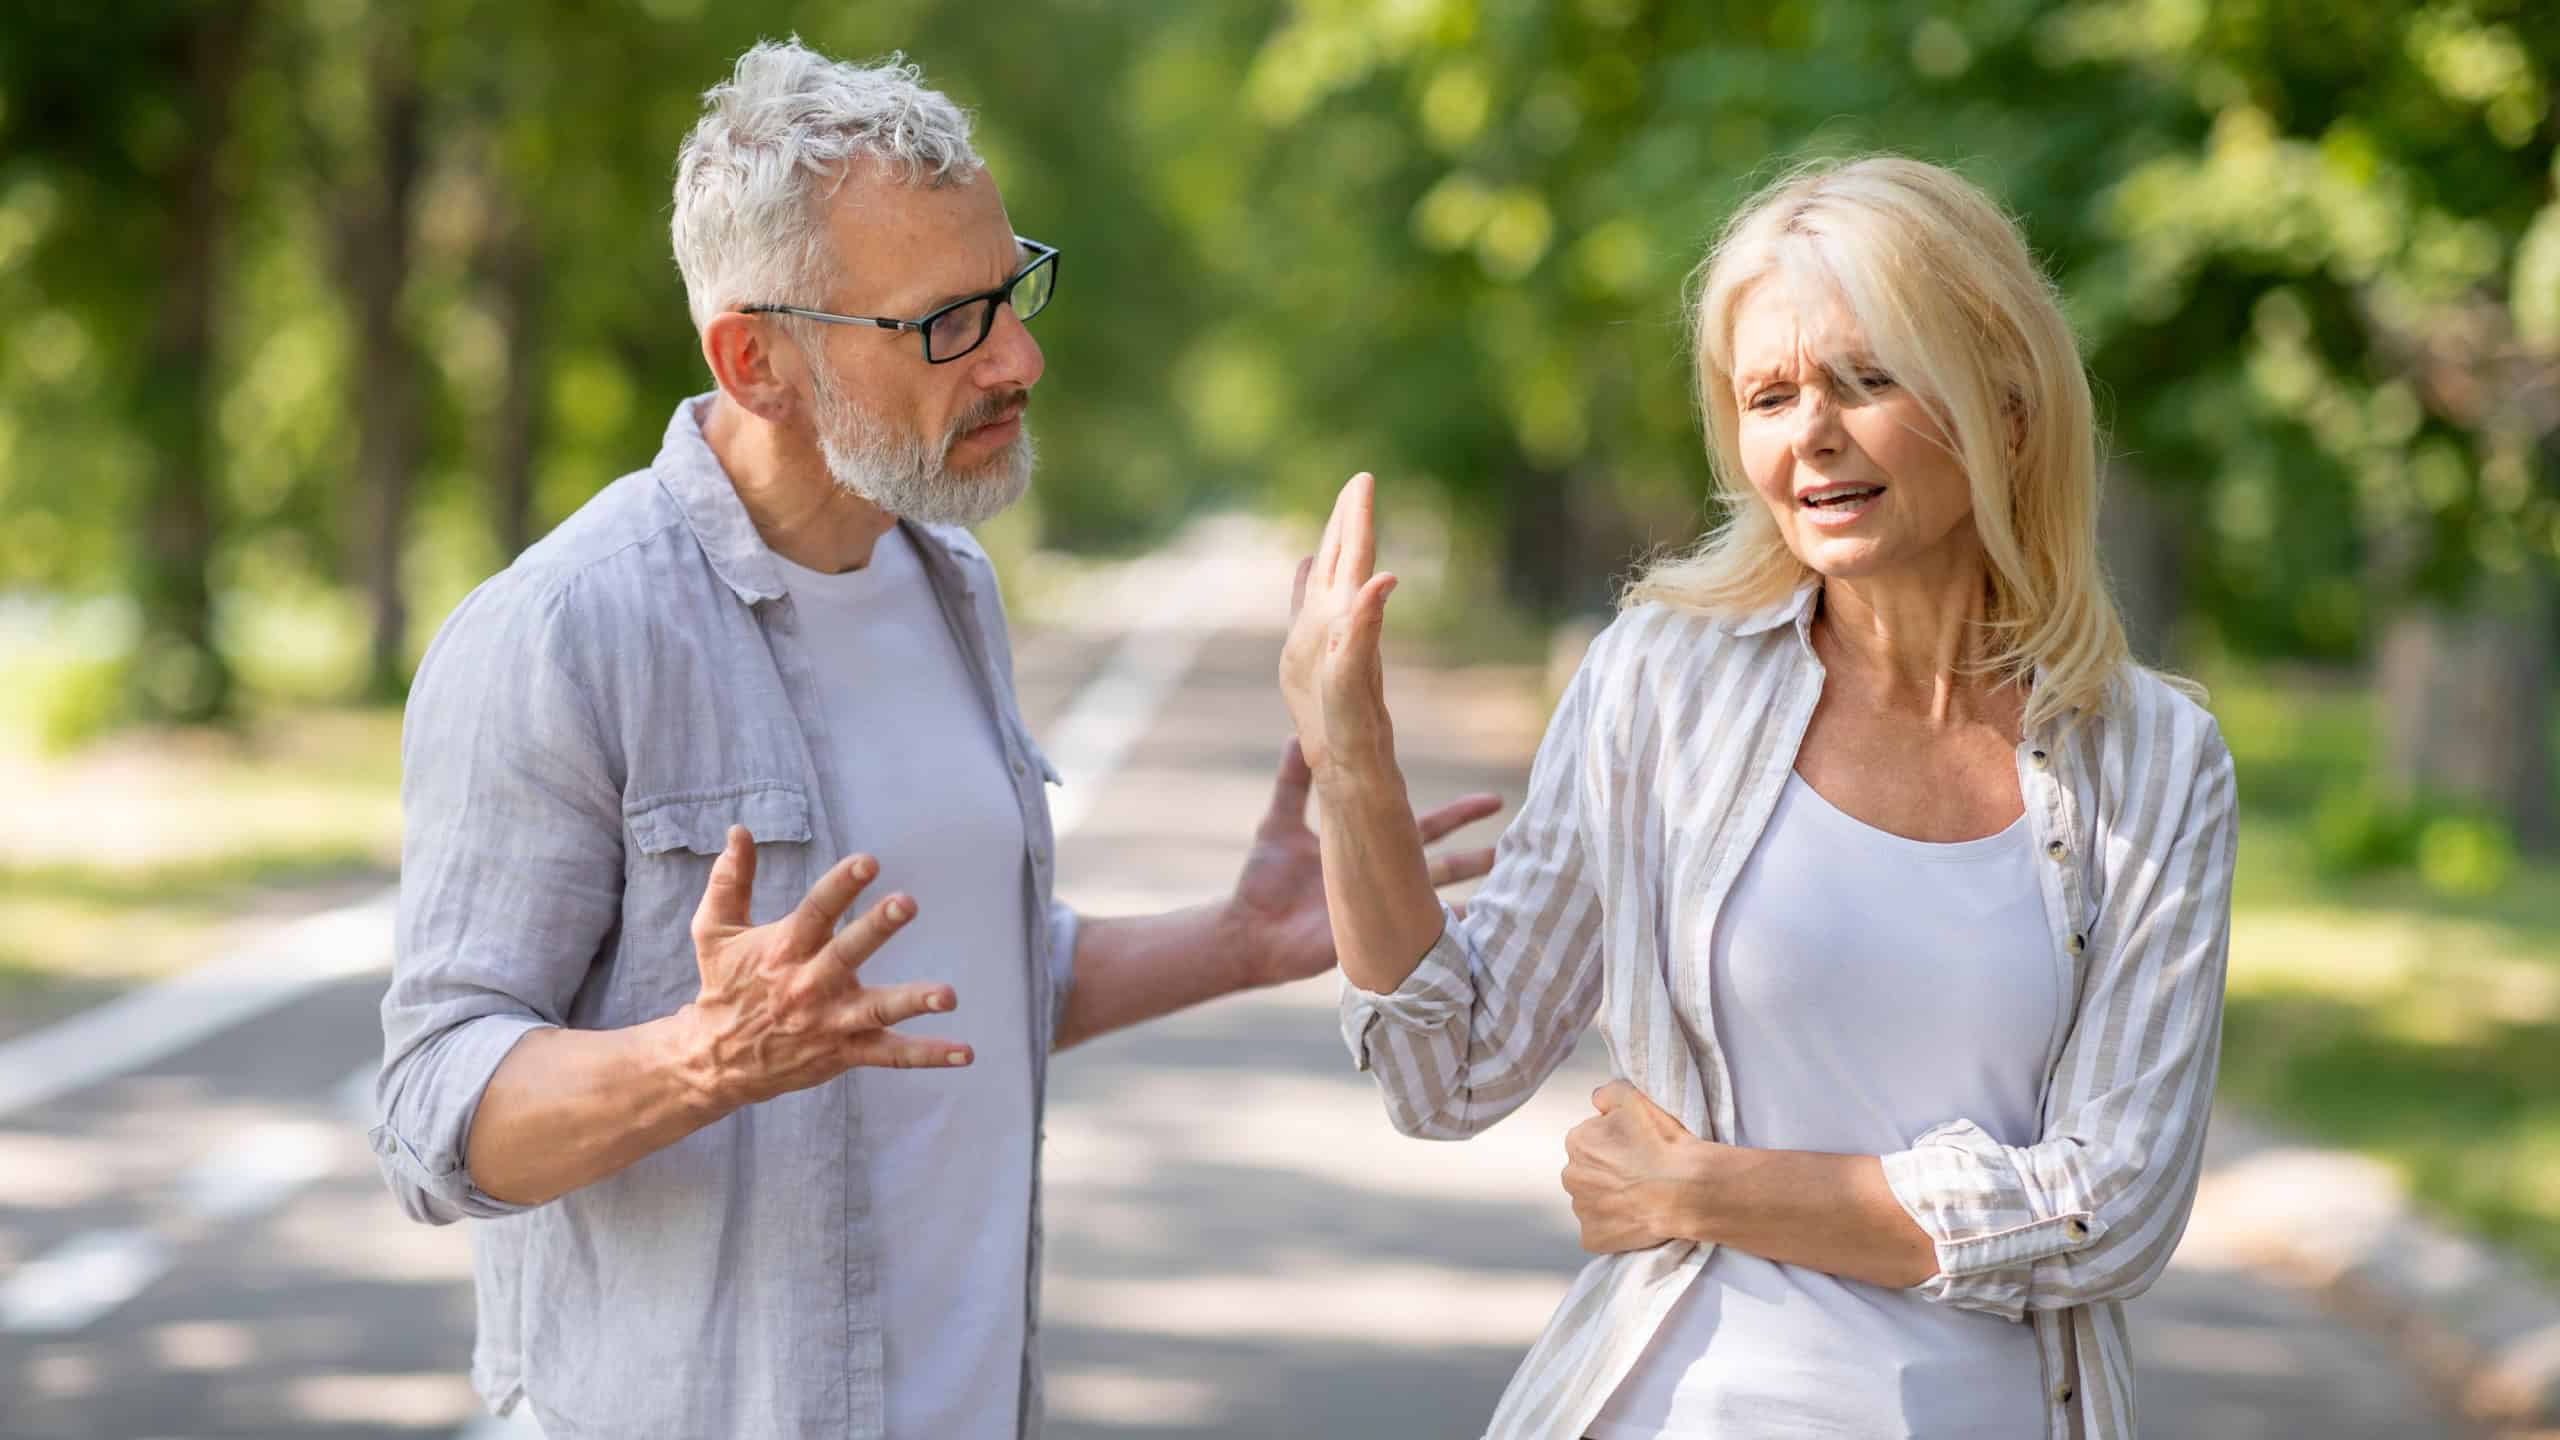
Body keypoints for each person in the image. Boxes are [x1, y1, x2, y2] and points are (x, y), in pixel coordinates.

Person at [369, 41, 1499, 1439]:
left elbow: (947, 988)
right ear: (756, 358)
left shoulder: (946, 577)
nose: (1019, 356)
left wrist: (1235, 939)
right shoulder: (561, 632)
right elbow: (430, 1114)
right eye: (944, 324)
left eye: (1012, 288)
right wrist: (703, 1058)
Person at [1279, 156, 2236, 1439]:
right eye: (1768, 395)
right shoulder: (1660, 683)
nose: (1812, 434)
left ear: (2006, 407)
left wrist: (1707, 1190)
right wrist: (1352, 762)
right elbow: (1448, 1069)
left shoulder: (2158, 759)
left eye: (1867, 378)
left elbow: (2108, 1210)